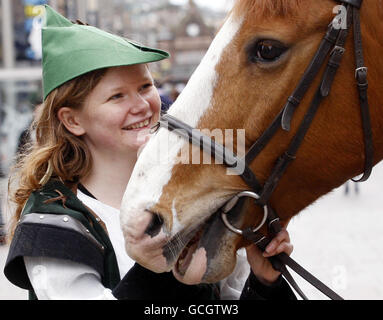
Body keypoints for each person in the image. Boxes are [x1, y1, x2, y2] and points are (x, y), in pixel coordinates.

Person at [4, 6, 296, 301]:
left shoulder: (195, 194)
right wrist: (160, 263)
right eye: (117, 96)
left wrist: (263, 282)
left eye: (146, 86)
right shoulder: (53, 224)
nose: (142, 105)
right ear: (73, 120)